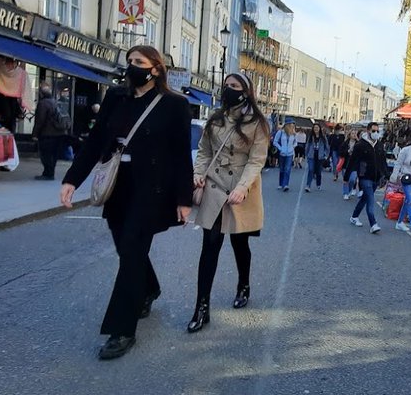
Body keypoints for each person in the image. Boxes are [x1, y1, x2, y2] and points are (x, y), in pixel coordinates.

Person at [60, 45, 192, 361]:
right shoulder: (116, 98)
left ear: (156, 69)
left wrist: (184, 198)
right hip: (117, 184)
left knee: (131, 252)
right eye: (129, 61)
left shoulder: (174, 104)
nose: (132, 67)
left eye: (139, 62)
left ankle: (121, 330)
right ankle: (148, 288)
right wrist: (72, 179)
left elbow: (179, 156)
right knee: (126, 248)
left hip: (151, 189)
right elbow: (95, 143)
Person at [189, 73, 270, 332]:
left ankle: (243, 284)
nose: (228, 90)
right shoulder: (215, 119)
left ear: (246, 92)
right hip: (214, 186)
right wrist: (198, 173)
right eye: (226, 86)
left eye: (234, 87)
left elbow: (256, 160)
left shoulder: (257, 123)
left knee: (239, 243)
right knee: (209, 246)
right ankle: (202, 308)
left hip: (240, 189)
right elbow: (204, 151)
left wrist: (243, 188)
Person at [348, 122, 387, 234]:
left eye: (377, 131)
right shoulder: (360, 145)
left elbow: (382, 161)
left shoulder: (379, 145)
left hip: (375, 177)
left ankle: (354, 216)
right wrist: (347, 176)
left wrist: (386, 174)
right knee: (370, 199)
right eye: (373, 131)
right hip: (364, 176)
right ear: (368, 131)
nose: (375, 133)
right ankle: (373, 223)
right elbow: (353, 160)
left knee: (365, 198)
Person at [31, 85, 68, 181]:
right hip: (59, 132)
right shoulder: (55, 102)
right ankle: (50, 172)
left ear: (41, 93)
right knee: (54, 154)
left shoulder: (43, 104)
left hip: (47, 133)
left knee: (45, 154)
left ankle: (48, 173)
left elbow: (40, 120)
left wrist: (35, 134)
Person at [272, 119, 298, 191]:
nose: (292, 127)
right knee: (282, 169)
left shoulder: (293, 133)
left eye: (293, 125)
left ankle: (286, 184)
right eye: (290, 125)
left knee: (287, 169)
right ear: (287, 125)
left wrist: (293, 147)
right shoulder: (280, 132)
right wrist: (280, 148)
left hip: (290, 153)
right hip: (282, 153)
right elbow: (275, 142)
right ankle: (281, 183)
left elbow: (296, 142)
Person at [304, 124, 330, 192]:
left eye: (317, 127)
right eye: (314, 127)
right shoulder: (311, 137)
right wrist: (306, 154)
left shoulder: (323, 137)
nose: (316, 129)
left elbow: (327, 146)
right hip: (311, 155)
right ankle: (308, 185)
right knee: (311, 169)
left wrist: (325, 154)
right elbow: (307, 145)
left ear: (319, 129)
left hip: (320, 156)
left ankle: (318, 184)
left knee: (318, 171)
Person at [342, 129, 360, 200]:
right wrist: (348, 151)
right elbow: (341, 152)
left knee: (352, 179)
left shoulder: (358, 144)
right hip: (346, 163)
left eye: (355, 134)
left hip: (354, 164)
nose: (354, 135)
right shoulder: (345, 143)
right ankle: (345, 193)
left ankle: (349, 190)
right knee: (346, 179)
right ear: (349, 135)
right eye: (352, 133)